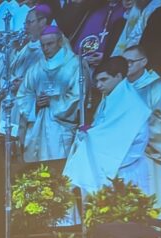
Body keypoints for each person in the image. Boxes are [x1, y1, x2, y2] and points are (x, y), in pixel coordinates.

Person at [64, 56, 151, 196]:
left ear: (118, 76)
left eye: (103, 80)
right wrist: (90, 132)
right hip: (112, 164)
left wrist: (91, 134)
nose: (98, 85)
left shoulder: (130, 101)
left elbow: (118, 136)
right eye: (97, 81)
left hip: (125, 165)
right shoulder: (112, 97)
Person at [124, 44, 161, 212]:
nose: (126, 66)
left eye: (130, 62)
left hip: (148, 152)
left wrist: (134, 128)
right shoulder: (119, 88)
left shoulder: (160, 87)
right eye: (123, 62)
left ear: (144, 62)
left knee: (149, 199)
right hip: (123, 154)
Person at [19, 26, 82, 164]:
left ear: (60, 42)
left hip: (60, 127)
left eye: (50, 44)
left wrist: (52, 101)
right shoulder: (35, 68)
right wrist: (35, 104)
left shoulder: (75, 65)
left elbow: (78, 97)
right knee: (34, 168)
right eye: (42, 45)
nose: (45, 48)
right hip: (37, 125)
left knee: (56, 167)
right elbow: (23, 95)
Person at [0, 5, 51, 134]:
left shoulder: (46, 50)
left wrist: (24, 85)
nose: (25, 28)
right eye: (25, 23)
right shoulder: (12, 53)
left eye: (29, 23)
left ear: (42, 22)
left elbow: (50, 84)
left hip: (25, 115)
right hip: (6, 111)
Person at [70, 0, 126, 69]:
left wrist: (106, 56)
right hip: (77, 60)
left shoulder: (127, 11)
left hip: (104, 66)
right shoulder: (92, 6)